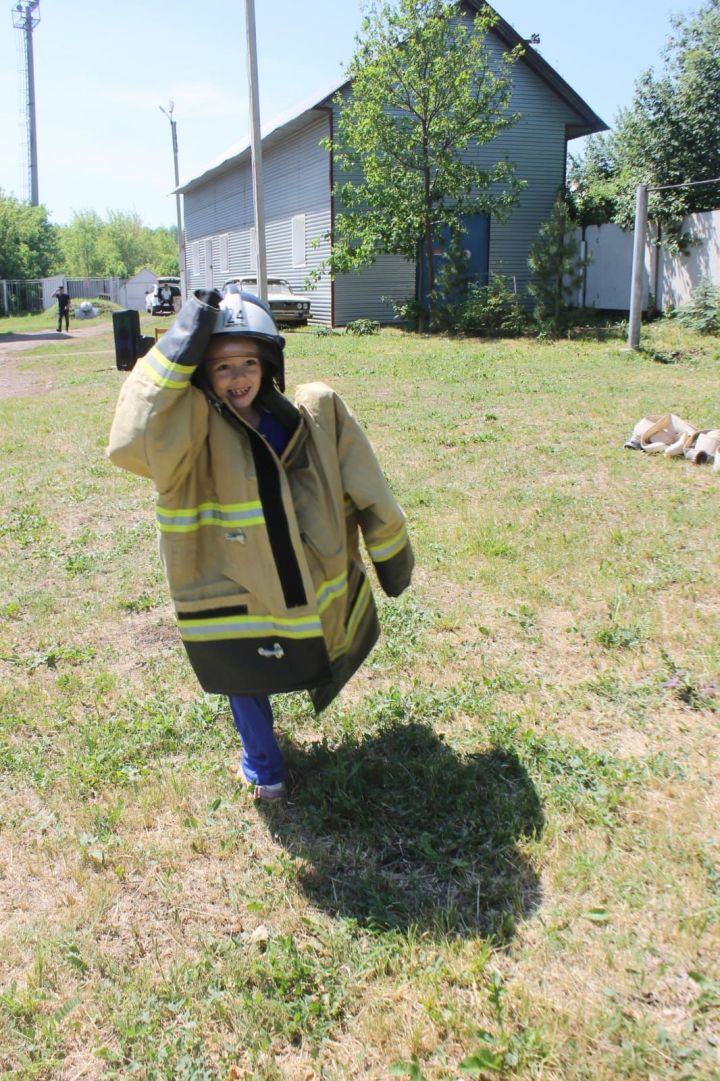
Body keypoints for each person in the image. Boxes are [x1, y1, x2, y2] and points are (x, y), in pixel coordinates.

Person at [107, 287, 414, 800]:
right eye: (222, 367)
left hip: (303, 587)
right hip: (227, 584)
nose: (238, 377)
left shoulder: (306, 419)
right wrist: (180, 339)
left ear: (268, 364)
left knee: (254, 668)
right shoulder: (185, 434)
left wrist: (391, 560)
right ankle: (264, 767)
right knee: (241, 677)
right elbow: (130, 439)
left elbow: (369, 487)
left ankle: (264, 762)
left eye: (249, 362)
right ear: (198, 371)